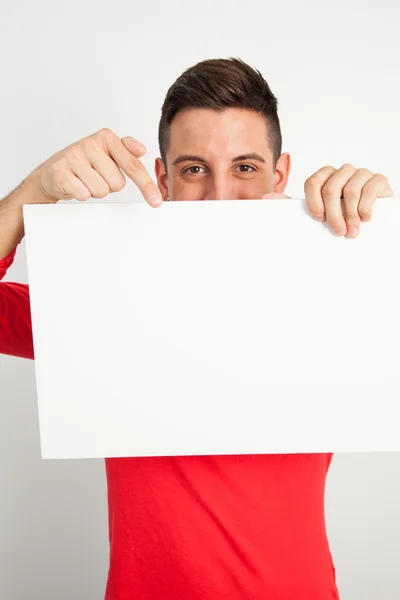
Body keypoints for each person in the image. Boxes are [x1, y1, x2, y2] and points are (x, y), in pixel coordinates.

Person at [0, 57, 393, 600]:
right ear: (162, 179)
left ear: (279, 176)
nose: (220, 198)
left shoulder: (332, 293)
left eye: (245, 168)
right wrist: (33, 193)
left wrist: (379, 234)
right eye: (194, 169)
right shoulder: (102, 307)